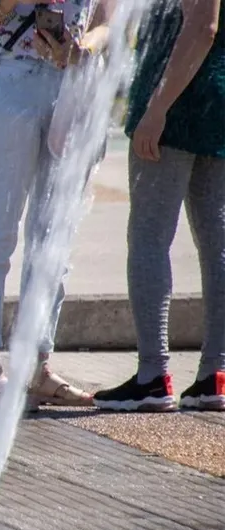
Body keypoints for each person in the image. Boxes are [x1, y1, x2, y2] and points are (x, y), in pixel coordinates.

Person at [0, 0, 113, 410]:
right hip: (14, 82)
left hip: (74, 85)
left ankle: (37, 367)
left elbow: (107, 23)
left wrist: (82, 48)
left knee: (53, 238)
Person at [94, 0, 223, 411]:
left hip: (176, 106)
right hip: (215, 101)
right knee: (217, 243)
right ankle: (215, 375)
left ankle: (153, 375)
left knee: (149, 238)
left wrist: (157, 108)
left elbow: (203, 26)